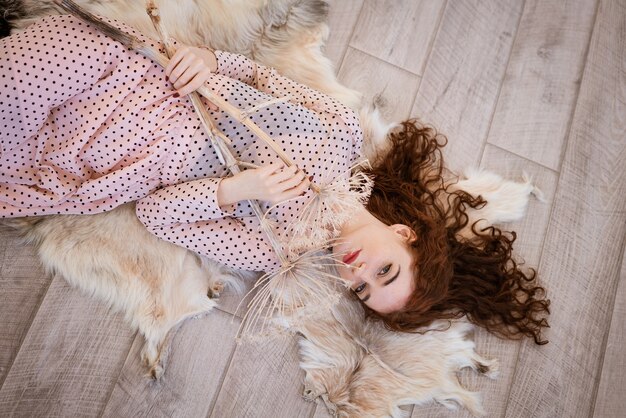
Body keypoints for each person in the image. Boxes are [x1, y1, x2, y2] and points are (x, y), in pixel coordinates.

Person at [0, 14, 549, 344]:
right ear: (404, 233)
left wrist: (240, 191)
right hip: (138, 79)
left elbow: (155, 214)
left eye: (363, 290)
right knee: (29, 71)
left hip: (110, 157)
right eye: (386, 270)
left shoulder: (272, 249)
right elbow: (263, 76)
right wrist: (208, 61)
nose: (361, 274)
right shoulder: (340, 135)